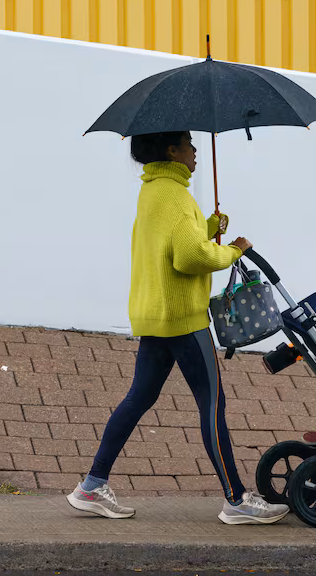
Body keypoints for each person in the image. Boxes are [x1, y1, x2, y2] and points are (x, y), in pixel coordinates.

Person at [67, 131, 290, 525]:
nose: (195, 150)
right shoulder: (175, 195)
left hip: (154, 315)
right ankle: (236, 499)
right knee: (211, 405)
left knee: (138, 398)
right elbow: (188, 258)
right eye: (188, 143)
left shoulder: (153, 190)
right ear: (171, 150)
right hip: (183, 320)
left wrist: (206, 225)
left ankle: (91, 485)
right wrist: (233, 250)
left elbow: (172, 244)